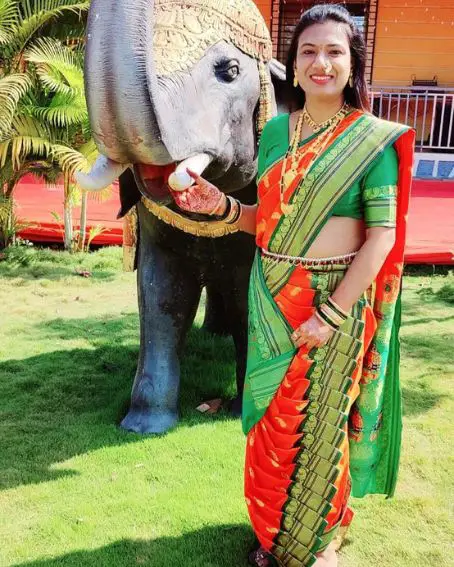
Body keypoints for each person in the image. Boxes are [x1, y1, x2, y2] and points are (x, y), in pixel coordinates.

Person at [170, 4, 415, 566]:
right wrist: (224, 206)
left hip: (333, 302)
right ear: (294, 65)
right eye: (309, 51)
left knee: (319, 426)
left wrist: (330, 315)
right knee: (269, 425)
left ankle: (317, 544)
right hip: (269, 294)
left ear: (353, 64)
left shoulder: (373, 140)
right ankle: (276, 533)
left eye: (334, 51)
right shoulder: (279, 129)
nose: (321, 62)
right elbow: (268, 218)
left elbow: (379, 237)